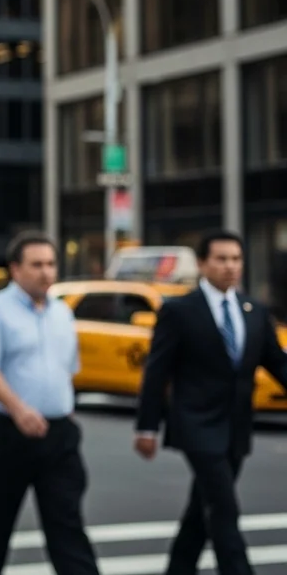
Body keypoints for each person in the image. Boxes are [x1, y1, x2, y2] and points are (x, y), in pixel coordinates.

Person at [135, 230, 287, 575]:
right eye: (221, 259)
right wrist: (147, 426)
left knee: (200, 511)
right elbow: (157, 372)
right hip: (196, 425)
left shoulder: (254, 311)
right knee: (223, 507)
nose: (230, 266)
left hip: (236, 427)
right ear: (202, 264)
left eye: (236, 259)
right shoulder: (179, 310)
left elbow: (277, 362)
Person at [0, 231, 100, 575]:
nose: (46, 272)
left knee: (67, 524)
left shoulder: (62, 314)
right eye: (36, 265)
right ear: (15, 269)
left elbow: (67, 369)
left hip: (58, 434)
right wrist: (18, 408)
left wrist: (64, 412)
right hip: (6, 431)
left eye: (51, 264)